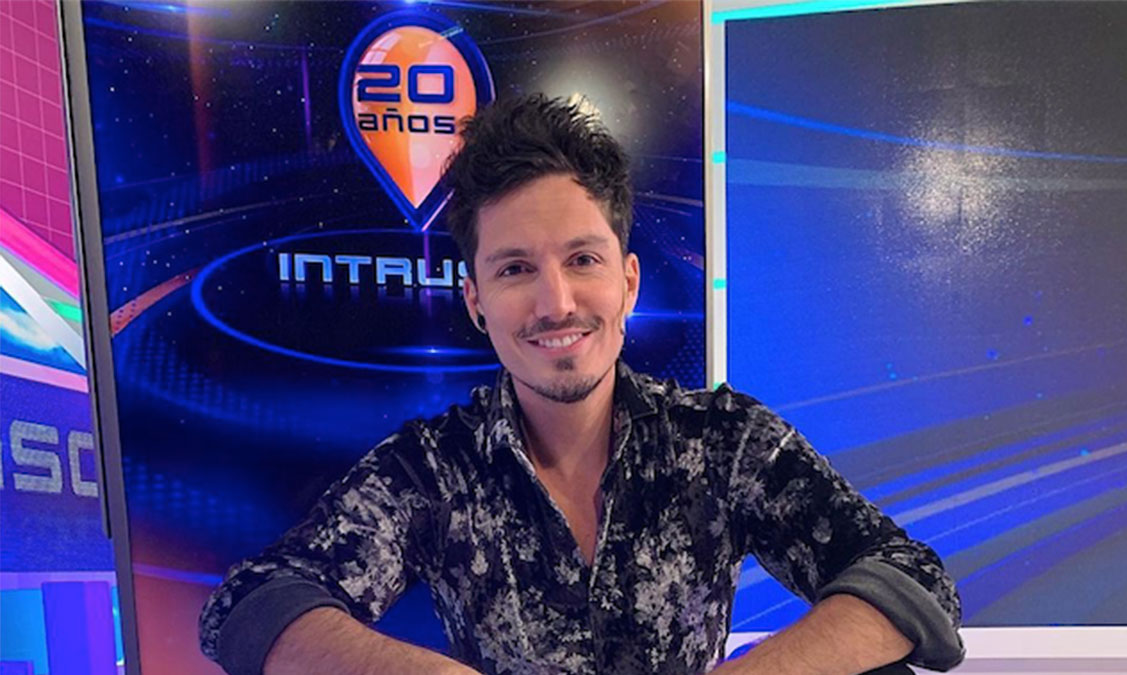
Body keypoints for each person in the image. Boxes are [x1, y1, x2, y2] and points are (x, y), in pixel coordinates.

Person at [198, 94, 964, 675]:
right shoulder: (432, 467)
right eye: (515, 268)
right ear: (476, 300)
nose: (555, 302)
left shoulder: (726, 442)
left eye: (583, 259)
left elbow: (912, 576)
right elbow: (253, 598)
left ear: (628, 281)